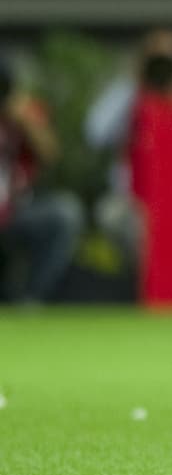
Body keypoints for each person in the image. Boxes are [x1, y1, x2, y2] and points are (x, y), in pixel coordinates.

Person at [84, 27, 172, 264]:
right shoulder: (129, 96)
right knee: (136, 225)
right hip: (128, 202)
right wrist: (138, 84)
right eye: (158, 62)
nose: (162, 71)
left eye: (169, 63)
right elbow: (94, 131)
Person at [0, 55, 85, 304]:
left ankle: (31, 298)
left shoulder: (22, 116)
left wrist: (23, 121)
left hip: (14, 212)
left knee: (64, 212)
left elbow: (49, 154)